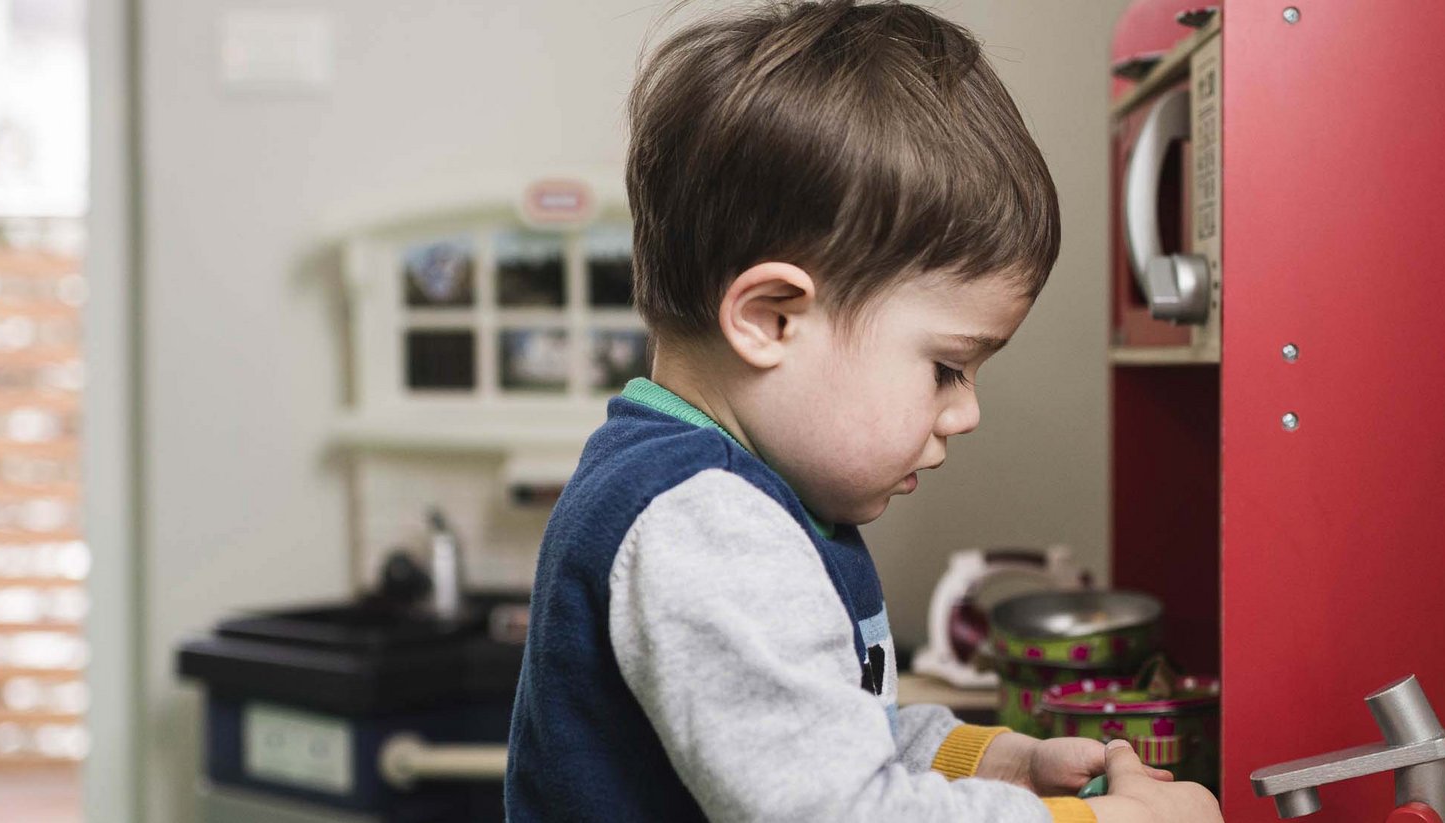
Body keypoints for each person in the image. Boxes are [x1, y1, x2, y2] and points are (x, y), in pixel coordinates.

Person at [505, 2, 1223, 821]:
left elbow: (829, 732)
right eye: (948, 366)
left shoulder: (735, 495)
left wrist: (994, 759)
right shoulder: (707, 526)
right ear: (773, 317)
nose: (965, 413)